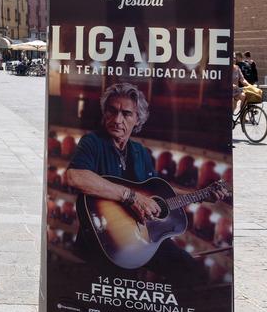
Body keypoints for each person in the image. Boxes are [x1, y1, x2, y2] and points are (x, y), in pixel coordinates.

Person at [64, 82, 225, 279]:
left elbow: (159, 193)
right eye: (112, 111)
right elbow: (75, 177)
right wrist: (131, 197)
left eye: (126, 114)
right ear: (104, 112)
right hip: (102, 240)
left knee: (192, 270)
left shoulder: (140, 152)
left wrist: (201, 195)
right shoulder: (92, 142)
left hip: (143, 238)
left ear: (137, 118)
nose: (117, 119)